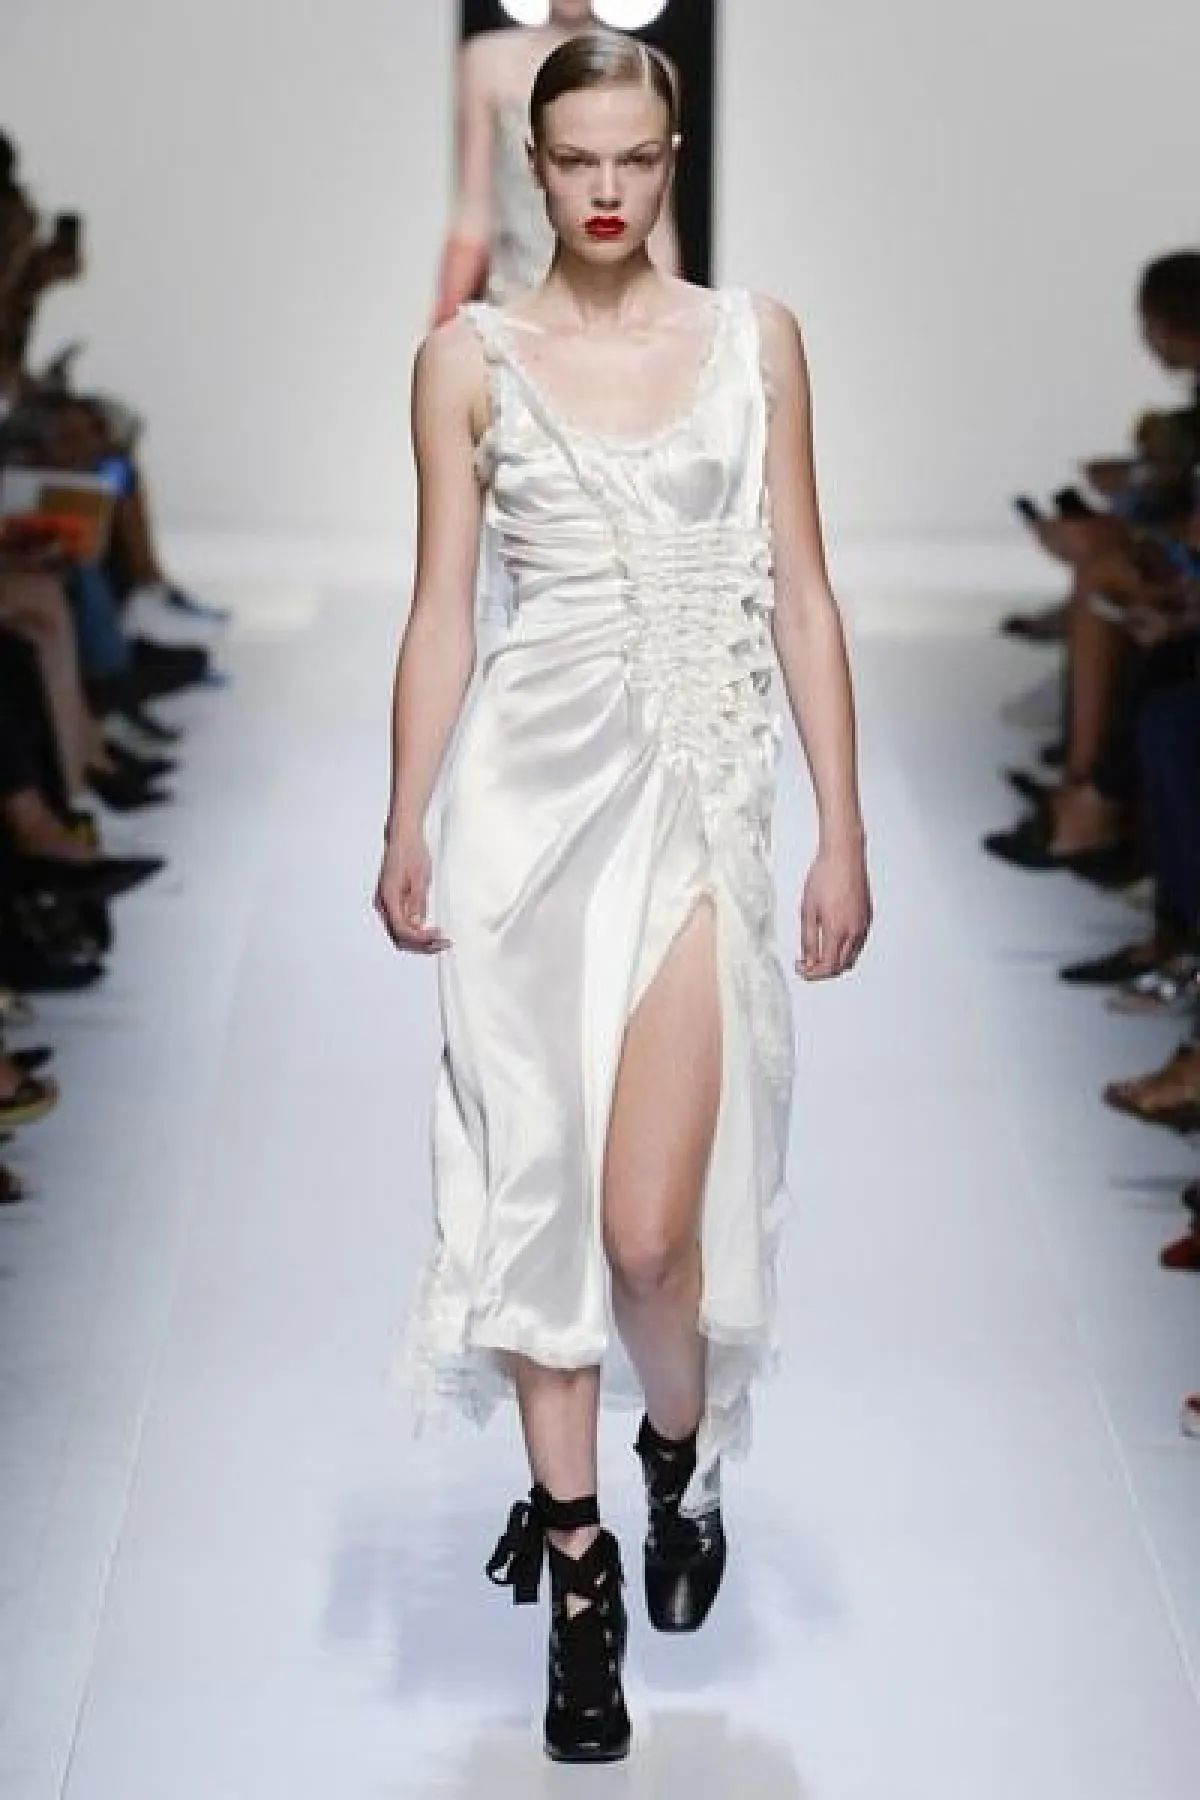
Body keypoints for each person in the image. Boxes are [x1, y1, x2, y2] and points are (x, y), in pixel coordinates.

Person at [376, 32, 871, 1765]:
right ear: (535, 165)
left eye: (635, 158)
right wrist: (404, 814)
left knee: (653, 1236)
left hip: (696, 818)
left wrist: (842, 831)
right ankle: (578, 1583)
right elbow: (442, 607)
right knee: (534, 1200)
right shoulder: (465, 362)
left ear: (673, 156)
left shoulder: (756, 341)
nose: (605, 190)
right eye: (576, 159)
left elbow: (803, 595)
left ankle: (678, 1448)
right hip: (522, 819)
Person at [432, 1, 680, 322]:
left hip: (621, 307)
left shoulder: (647, 69)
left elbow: (658, 224)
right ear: (533, 158)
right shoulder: (487, 63)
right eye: (572, 160)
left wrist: (673, 320)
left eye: (636, 160)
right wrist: (445, 318)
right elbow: (473, 211)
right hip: (513, 298)